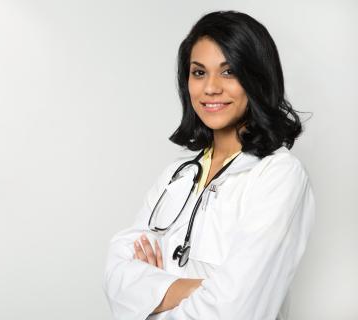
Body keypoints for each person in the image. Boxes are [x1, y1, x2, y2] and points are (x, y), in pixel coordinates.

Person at [102, 10, 316, 320]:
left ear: (257, 79)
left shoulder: (278, 175)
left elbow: (236, 310)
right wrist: (204, 288)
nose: (210, 88)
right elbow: (116, 274)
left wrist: (151, 294)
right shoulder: (177, 175)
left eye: (228, 72)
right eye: (199, 72)